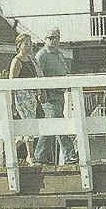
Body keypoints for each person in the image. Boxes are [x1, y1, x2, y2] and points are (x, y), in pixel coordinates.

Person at [32, 28, 77, 165]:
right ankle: (69, 154)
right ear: (45, 39)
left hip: (59, 94)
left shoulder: (59, 54)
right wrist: (41, 93)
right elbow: (38, 75)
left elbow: (64, 71)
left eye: (57, 37)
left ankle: (40, 156)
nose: (54, 40)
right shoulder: (42, 55)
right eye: (51, 38)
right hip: (49, 95)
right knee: (57, 123)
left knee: (52, 125)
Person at [9, 33, 41, 165]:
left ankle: (8, 151)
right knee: (29, 124)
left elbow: (37, 77)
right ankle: (30, 156)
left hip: (31, 96)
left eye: (30, 43)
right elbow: (12, 82)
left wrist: (40, 92)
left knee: (27, 128)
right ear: (19, 46)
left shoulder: (32, 60)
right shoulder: (17, 61)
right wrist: (11, 103)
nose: (29, 46)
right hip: (22, 96)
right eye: (26, 44)